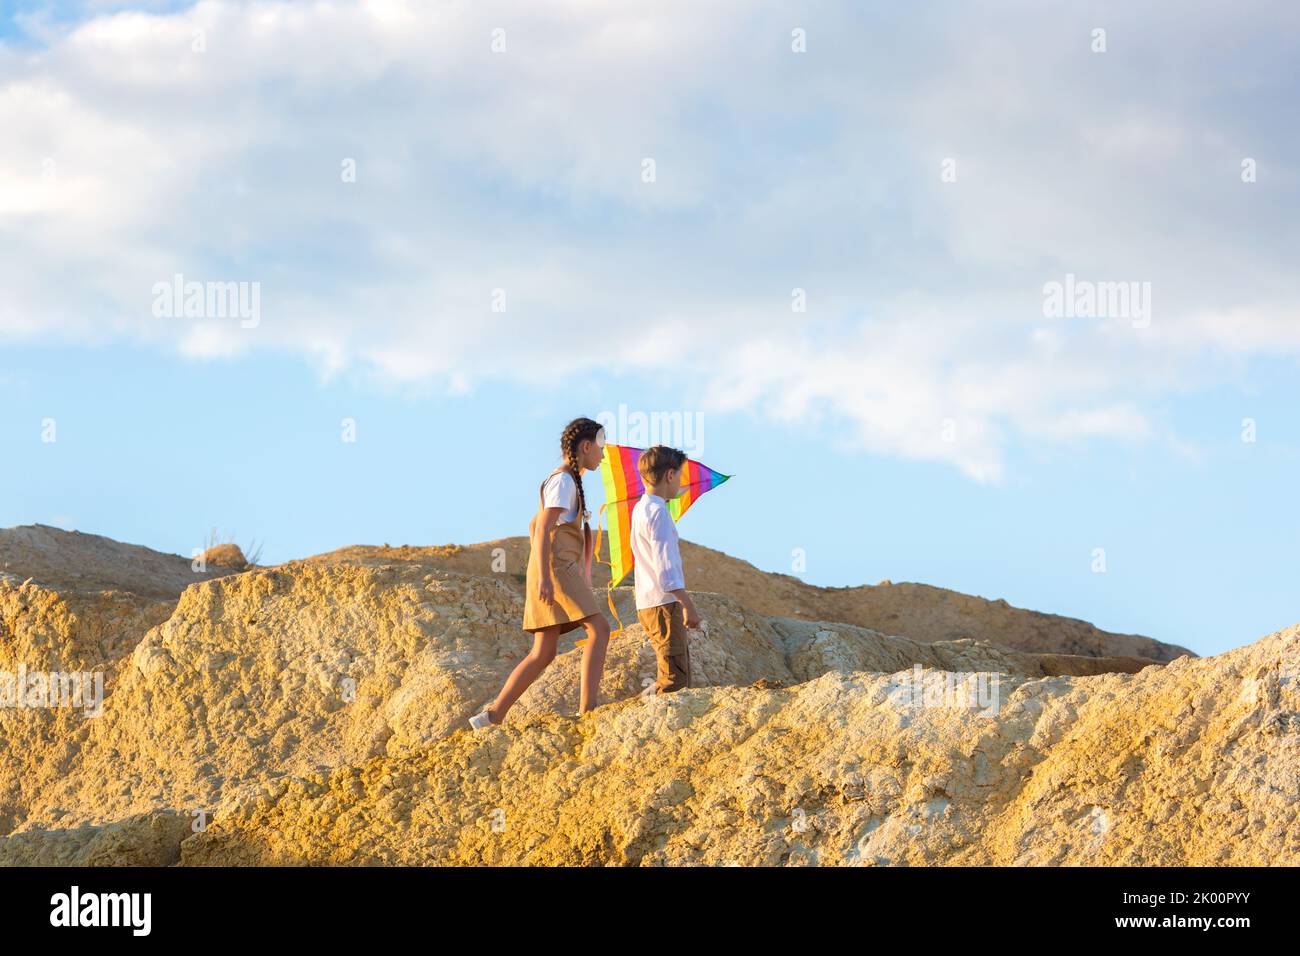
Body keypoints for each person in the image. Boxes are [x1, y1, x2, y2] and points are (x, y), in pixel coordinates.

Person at [469, 418, 611, 728]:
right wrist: (546, 576)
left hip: (555, 567)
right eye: (600, 448)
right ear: (586, 447)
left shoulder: (566, 480)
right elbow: (544, 526)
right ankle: (589, 710)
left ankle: (490, 717)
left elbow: (534, 525)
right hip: (557, 568)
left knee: (544, 651)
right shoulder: (563, 481)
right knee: (600, 629)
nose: (602, 455)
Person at [629, 445, 700, 694]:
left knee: (671, 671)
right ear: (669, 475)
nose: (680, 481)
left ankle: (645, 705)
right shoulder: (659, 512)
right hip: (664, 603)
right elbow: (665, 564)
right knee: (675, 681)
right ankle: (643, 717)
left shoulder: (640, 508)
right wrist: (686, 603)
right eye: (679, 475)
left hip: (648, 602)